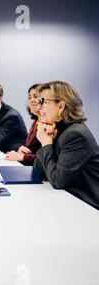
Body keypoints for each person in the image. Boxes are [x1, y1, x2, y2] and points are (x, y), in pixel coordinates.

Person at [33, 81, 99, 210]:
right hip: (71, 201)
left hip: (89, 208)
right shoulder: (59, 128)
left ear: (61, 106)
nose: (38, 107)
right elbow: (38, 171)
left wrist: (46, 143)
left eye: (43, 102)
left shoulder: (75, 134)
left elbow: (58, 181)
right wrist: (44, 141)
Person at [5, 84, 42, 165]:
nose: (32, 100)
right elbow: (31, 149)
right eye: (29, 97)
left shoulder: (49, 124)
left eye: (36, 96)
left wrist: (22, 157)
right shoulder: (36, 122)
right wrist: (21, 150)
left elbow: (45, 158)